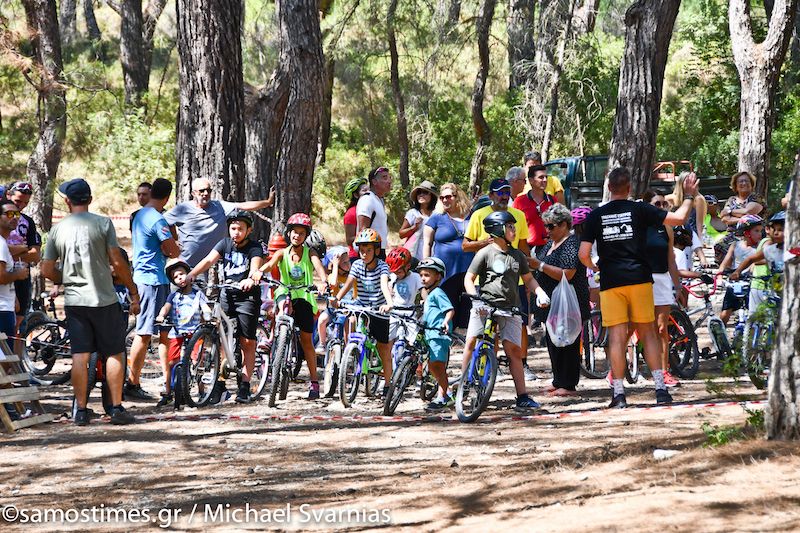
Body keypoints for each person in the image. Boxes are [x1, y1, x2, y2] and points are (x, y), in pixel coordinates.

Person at [578, 166, 698, 408]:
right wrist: (690, 196)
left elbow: (583, 254)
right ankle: (661, 390)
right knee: (649, 333)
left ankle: (619, 394)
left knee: (617, 338)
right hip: (641, 279)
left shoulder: (595, 215)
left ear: (609, 188)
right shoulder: (640, 209)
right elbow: (680, 219)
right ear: (630, 188)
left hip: (612, 283)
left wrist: (596, 266)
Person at [41, 178, 139, 426]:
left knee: (80, 356)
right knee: (115, 352)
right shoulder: (103, 223)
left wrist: (66, 278)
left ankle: (81, 410)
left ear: (67, 201)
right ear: (90, 199)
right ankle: (116, 408)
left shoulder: (57, 230)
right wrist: (132, 289)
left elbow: (46, 269)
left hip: (75, 300)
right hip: (103, 298)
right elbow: (117, 261)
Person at [463, 210, 550, 411]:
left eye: (513, 226)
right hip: (485, 307)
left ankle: (522, 396)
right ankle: (465, 385)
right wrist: (475, 299)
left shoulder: (517, 255)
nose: (514, 230)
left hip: (511, 309)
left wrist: (540, 292)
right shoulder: (485, 253)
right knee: (472, 342)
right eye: (509, 226)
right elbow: (469, 278)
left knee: (514, 352)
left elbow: (528, 279)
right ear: (497, 230)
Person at [187, 210, 264, 404]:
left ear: (249, 230)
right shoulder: (224, 244)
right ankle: (219, 384)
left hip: (247, 297)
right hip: (226, 294)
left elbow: (255, 267)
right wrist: (191, 275)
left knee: (247, 341)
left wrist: (251, 278)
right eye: (233, 228)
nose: (236, 232)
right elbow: (207, 260)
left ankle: (245, 385)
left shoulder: (255, 248)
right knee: (221, 339)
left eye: (240, 229)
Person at [464, 178, 537, 381]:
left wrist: (530, 271)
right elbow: (465, 245)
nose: (504, 196)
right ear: (491, 195)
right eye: (499, 192)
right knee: (486, 331)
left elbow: (523, 246)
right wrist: (485, 243)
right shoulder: (479, 215)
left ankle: (523, 364)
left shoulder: (518, 216)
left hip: (516, 281)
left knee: (520, 324)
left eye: (506, 192)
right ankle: (485, 367)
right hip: (485, 283)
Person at [258, 213, 328, 400]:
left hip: (304, 295)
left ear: (306, 236)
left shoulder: (310, 253)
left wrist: (322, 282)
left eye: (301, 233)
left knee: (306, 341)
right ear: (288, 234)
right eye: (294, 232)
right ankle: (273, 339)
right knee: (281, 307)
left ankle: (314, 382)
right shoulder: (282, 253)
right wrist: (258, 272)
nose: (297, 236)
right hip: (285, 291)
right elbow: (270, 264)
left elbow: (319, 269)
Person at [127, 178, 181, 401]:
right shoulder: (158, 220)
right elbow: (173, 250)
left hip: (153, 278)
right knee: (144, 332)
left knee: (163, 332)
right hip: (150, 280)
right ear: (167, 197)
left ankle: (168, 383)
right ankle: (132, 383)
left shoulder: (140, 215)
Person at [530, 204, 591, 397]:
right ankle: (558, 380)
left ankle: (569, 383)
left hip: (568, 301)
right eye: (545, 226)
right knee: (553, 339)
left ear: (564, 225)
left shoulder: (572, 243)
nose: (547, 231)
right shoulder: (550, 244)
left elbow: (568, 273)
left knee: (568, 342)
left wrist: (539, 265)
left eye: (551, 227)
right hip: (551, 302)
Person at [331, 228, 394, 392]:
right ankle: (352, 356)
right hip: (361, 306)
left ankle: (388, 384)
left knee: (384, 348)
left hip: (378, 309)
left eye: (368, 250)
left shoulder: (382, 267)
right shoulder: (357, 265)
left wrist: (388, 303)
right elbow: (348, 284)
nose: (364, 254)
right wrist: (337, 299)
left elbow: (383, 285)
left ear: (377, 250)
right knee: (353, 324)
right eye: (362, 250)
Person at [164, 177, 274, 268]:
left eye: (209, 190)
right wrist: (174, 240)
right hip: (184, 264)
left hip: (208, 266)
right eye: (202, 191)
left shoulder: (220, 207)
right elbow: (164, 222)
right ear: (193, 193)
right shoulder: (183, 209)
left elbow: (243, 205)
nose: (206, 193)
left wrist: (267, 202)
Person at [154, 259, 206, 408]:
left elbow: (205, 306)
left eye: (182, 274)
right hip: (177, 332)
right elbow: (166, 307)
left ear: (189, 274)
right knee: (172, 362)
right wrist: (161, 315)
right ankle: (169, 391)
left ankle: (202, 390)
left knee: (197, 361)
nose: (180, 279)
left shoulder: (198, 294)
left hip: (195, 332)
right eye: (176, 277)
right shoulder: (174, 296)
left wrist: (208, 314)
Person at [642, 190, 681, 387]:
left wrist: (677, 284)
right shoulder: (638, 226)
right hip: (641, 280)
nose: (661, 208)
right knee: (639, 327)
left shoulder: (666, 228)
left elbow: (671, 259)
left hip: (662, 279)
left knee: (661, 327)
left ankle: (664, 372)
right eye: (657, 204)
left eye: (664, 204)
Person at [423, 182, 473, 328]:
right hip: (445, 271)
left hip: (468, 270)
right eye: (442, 197)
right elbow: (427, 243)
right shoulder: (437, 218)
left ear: (458, 197)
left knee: (468, 304)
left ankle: (464, 338)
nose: (445, 200)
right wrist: (427, 267)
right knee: (446, 303)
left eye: (449, 197)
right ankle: (447, 333)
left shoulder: (471, 216)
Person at [4, 181, 41, 352]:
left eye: (25, 203)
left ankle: (17, 369)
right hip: (4, 275)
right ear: (8, 196)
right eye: (18, 201)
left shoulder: (27, 221)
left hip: (22, 276)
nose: (21, 206)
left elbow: (35, 254)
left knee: (19, 325)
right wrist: (22, 249)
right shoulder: (3, 217)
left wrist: (14, 252)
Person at [416, 257, 455, 411]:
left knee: (437, 366)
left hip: (438, 334)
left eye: (427, 275)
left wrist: (445, 322)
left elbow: (450, 310)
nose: (423, 278)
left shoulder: (438, 292)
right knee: (434, 367)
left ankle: (445, 396)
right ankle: (445, 394)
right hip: (430, 334)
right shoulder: (430, 294)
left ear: (438, 276)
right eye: (421, 275)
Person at [731, 213, 784, 314]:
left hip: (785, 290)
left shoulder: (793, 250)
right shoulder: (770, 249)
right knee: (754, 316)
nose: (776, 233)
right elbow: (751, 259)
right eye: (775, 230)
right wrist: (737, 272)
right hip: (768, 288)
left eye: (780, 230)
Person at [717, 214, 763, 325]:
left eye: (760, 231)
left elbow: (754, 264)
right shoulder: (735, 245)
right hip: (734, 283)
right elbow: (725, 262)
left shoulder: (759, 249)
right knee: (724, 314)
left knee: (753, 314)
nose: (760, 234)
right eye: (756, 231)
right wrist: (719, 275)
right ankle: (719, 336)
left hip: (750, 284)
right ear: (746, 232)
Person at [716, 172, 765, 266]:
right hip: (733, 234)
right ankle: (727, 270)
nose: (744, 183)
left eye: (746, 181)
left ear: (751, 184)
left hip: (754, 234)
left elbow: (748, 211)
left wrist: (730, 211)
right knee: (719, 245)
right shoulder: (731, 200)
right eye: (740, 181)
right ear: (735, 185)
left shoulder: (756, 198)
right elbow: (724, 218)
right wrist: (745, 220)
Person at [666, 172, 709, 268]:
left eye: (693, 180)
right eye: (687, 180)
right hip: (672, 234)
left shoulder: (698, 199)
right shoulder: (670, 199)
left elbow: (699, 224)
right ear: (681, 182)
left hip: (689, 235)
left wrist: (700, 244)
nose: (691, 182)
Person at [316, 246, 355, 352]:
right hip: (333, 309)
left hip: (349, 310)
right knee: (322, 320)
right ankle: (322, 343)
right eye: (344, 263)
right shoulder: (332, 276)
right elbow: (333, 283)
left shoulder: (352, 278)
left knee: (350, 322)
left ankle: (348, 350)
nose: (349, 265)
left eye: (348, 262)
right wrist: (336, 266)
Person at [514, 164, 556, 256]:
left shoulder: (552, 200)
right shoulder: (519, 201)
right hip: (526, 249)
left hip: (550, 249)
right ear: (531, 181)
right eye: (541, 177)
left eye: (546, 177)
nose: (545, 180)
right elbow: (514, 228)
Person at [386, 247, 422, 343]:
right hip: (394, 312)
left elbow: (424, 292)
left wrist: (426, 303)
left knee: (412, 341)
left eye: (399, 272)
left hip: (409, 312)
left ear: (408, 266)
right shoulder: (393, 277)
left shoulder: (415, 277)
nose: (397, 274)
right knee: (386, 339)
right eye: (394, 272)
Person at [356, 166, 393, 257]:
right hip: (370, 252)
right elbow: (363, 230)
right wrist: (369, 255)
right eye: (384, 178)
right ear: (374, 182)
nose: (389, 181)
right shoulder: (367, 199)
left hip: (379, 250)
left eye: (389, 178)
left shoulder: (379, 200)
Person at [399, 181, 438, 260]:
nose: (421, 195)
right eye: (419, 192)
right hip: (414, 253)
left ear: (432, 196)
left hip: (433, 252)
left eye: (425, 192)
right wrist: (414, 228)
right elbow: (401, 234)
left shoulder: (437, 214)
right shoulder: (413, 213)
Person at [343, 177, 370, 259]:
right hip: (357, 256)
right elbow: (349, 240)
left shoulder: (370, 208)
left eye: (369, 190)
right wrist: (368, 236)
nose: (368, 192)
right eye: (364, 190)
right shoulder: (351, 213)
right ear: (356, 195)